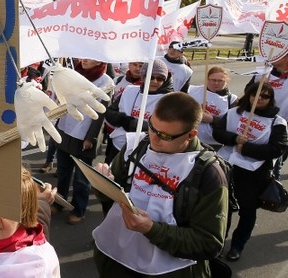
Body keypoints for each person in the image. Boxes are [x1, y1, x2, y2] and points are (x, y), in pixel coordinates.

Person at [92, 92, 228, 277]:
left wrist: (152, 229)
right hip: (117, 259)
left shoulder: (208, 173)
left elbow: (209, 243)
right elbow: (112, 195)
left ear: (191, 134)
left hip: (169, 270)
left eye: (165, 136)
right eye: (152, 127)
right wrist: (102, 183)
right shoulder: (137, 146)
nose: (154, 139)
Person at [212, 84, 288, 261]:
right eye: (255, 94)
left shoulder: (277, 122)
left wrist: (246, 148)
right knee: (224, 208)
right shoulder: (234, 113)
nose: (259, 98)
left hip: (254, 173)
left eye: (265, 96)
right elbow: (218, 133)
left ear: (270, 100)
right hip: (228, 167)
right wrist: (233, 138)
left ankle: (238, 245)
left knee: (248, 210)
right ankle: (219, 242)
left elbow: (277, 149)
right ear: (249, 95)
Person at [54, 58, 113, 225]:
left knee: (81, 178)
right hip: (65, 128)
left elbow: (101, 113)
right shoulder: (72, 73)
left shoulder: (105, 81)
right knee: (63, 172)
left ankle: (79, 210)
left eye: (91, 58)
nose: (85, 60)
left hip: (84, 134)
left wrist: (91, 138)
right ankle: (60, 202)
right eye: (84, 56)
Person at [246, 48, 288, 178]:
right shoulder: (262, 71)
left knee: (271, 170)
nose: (271, 57)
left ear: (285, 58)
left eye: (277, 54)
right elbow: (248, 92)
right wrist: (259, 85)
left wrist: (287, 130)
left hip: (276, 129)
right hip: (251, 124)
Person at [104, 58, 174, 164]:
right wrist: (125, 120)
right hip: (119, 146)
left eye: (160, 78)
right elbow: (109, 113)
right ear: (144, 77)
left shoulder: (170, 99)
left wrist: (137, 125)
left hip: (145, 152)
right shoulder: (129, 90)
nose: (155, 81)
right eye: (151, 77)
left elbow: (168, 129)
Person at [188, 67, 238, 149]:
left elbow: (232, 125)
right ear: (207, 79)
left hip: (214, 143)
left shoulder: (232, 100)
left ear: (226, 81)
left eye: (220, 80)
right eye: (213, 80)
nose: (216, 83)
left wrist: (212, 119)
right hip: (191, 138)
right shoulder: (192, 90)